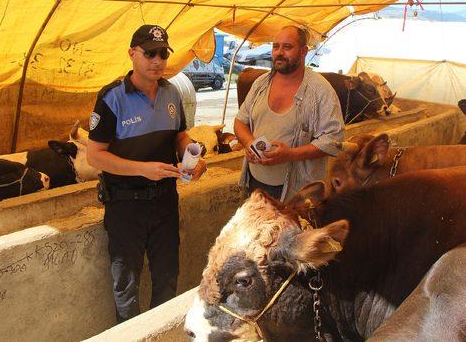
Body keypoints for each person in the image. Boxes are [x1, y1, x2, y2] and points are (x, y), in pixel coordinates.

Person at [87, 24, 206, 323]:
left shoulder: (171, 92)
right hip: (125, 206)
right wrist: (144, 170)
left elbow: (179, 136)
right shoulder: (112, 97)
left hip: (165, 202)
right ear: (132, 54)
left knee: (167, 279)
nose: (157, 61)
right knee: (126, 287)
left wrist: (192, 153)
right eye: (149, 53)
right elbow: (95, 156)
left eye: (163, 54)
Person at [234, 25, 344, 201]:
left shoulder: (320, 91)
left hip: (298, 191)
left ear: (303, 51)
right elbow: (240, 122)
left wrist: (291, 155)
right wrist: (250, 145)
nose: (279, 53)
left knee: (295, 228)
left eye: (287, 47)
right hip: (255, 182)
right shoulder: (261, 84)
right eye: (275, 46)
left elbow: (333, 139)